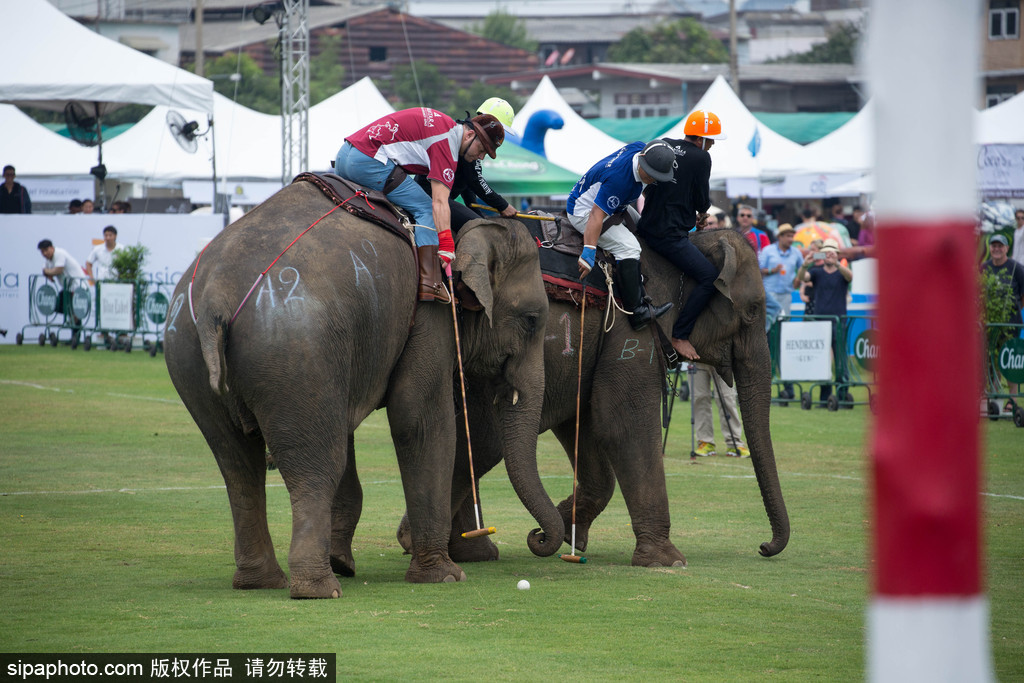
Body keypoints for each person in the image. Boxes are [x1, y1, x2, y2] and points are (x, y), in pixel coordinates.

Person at [334, 107, 505, 302]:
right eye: (481, 149)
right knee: (426, 209)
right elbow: (439, 202)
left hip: (344, 156)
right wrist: (447, 244)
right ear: (470, 134)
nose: (481, 157)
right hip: (368, 162)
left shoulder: (444, 124)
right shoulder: (447, 144)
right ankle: (430, 283)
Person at [635, 110, 729, 360]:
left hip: (645, 226)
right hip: (670, 236)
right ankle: (681, 334)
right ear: (701, 139)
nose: (712, 146)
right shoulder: (701, 158)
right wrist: (702, 212)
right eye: (711, 141)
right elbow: (702, 198)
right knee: (709, 277)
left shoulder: (663, 143)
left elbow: (648, 189)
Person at [570, 140, 675, 331]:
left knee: (645, 228)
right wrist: (588, 251)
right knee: (630, 247)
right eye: (650, 173)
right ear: (642, 160)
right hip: (583, 212)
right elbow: (596, 214)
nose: (652, 179)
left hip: (615, 205)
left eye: (657, 175)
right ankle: (637, 312)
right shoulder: (620, 180)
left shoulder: (640, 147)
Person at [415, 98, 517, 234]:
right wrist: (503, 205)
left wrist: (472, 207)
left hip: (435, 195)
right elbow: (475, 180)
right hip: (432, 197)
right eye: (499, 129)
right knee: (482, 229)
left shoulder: (467, 136)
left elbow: (466, 180)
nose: (500, 134)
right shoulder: (468, 140)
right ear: (491, 123)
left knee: (480, 221)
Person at [797, 238, 853, 406]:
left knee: (841, 359)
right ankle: (824, 397)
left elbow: (849, 277)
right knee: (822, 360)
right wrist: (805, 264)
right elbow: (802, 277)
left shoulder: (842, 271)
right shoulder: (817, 271)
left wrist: (837, 263)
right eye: (826, 251)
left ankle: (843, 394)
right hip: (820, 321)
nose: (829, 254)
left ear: (837, 254)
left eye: (833, 252)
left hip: (838, 321)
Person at [758, 223, 804, 399]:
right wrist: (771, 270)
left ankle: (787, 386)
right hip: (768, 299)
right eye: (788, 236)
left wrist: (799, 282)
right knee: (767, 342)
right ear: (780, 236)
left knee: (783, 342)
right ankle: (765, 385)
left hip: (785, 297)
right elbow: (757, 270)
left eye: (792, 236)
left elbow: (802, 270)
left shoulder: (796, 253)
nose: (791, 239)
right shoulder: (768, 251)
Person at [982, 233, 1024, 402]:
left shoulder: (1017, 268)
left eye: (1001, 246)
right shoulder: (984, 268)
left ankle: (1012, 400)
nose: (997, 249)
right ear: (990, 248)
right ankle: (993, 397)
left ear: (1007, 248)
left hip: (1011, 323)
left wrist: (1016, 309)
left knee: (1008, 361)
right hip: (989, 323)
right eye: (994, 245)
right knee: (990, 360)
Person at [692, 363, 749, 458]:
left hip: (722, 359)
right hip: (696, 358)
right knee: (700, 399)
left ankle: (734, 443)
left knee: (727, 399)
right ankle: (705, 442)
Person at [38, 239, 88, 331]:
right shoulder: (49, 259)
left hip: (78, 287)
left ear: (52, 248)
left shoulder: (60, 253)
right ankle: (73, 320)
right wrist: (47, 273)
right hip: (67, 288)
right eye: (42, 251)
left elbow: (58, 270)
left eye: (46, 250)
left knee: (76, 310)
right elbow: (44, 269)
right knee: (56, 306)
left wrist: (48, 272)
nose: (44, 253)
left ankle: (75, 336)